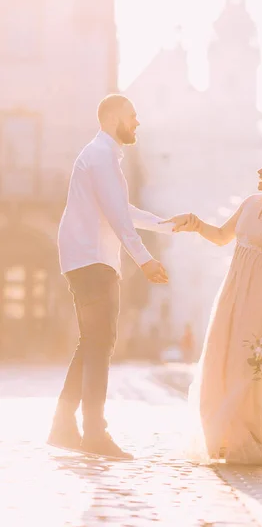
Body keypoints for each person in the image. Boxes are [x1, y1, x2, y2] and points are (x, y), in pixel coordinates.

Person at [166, 150, 262, 464]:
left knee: (245, 368)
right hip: (232, 296)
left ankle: (246, 438)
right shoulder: (250, 204)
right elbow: (222, 236)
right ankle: (224, 436)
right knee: (219, 362)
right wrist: (196, 225)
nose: (260, 170)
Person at [48, 94, 173, 460]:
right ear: (114, 116)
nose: (137, 123)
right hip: (92, 260)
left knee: (91, 343)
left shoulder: (103, 156)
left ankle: (63, 425)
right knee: (99, 345)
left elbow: (123, 210)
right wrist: (145, 260)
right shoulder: (100, 156)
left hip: (88, 258)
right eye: (133, 116)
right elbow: (118, 218)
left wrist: (168, 226)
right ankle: (94, 433)